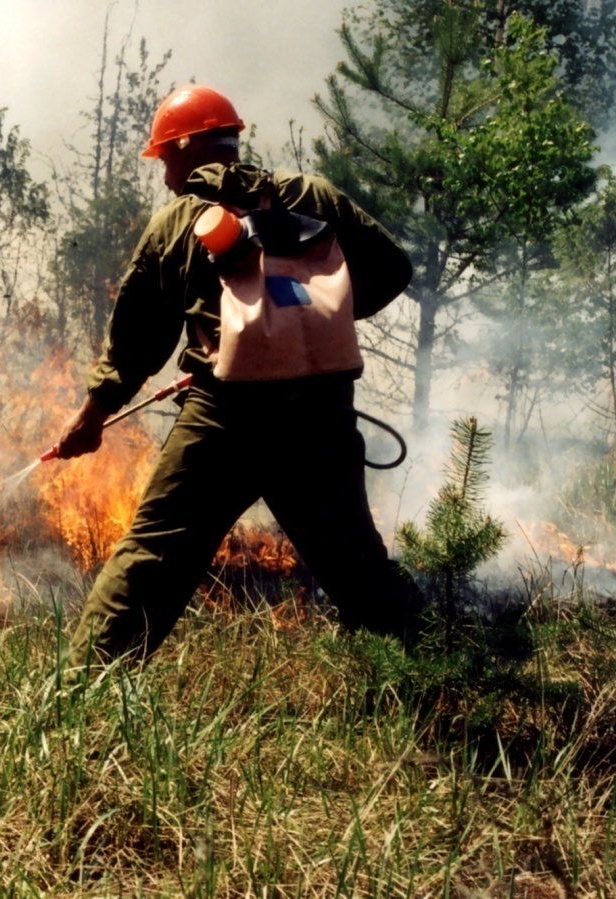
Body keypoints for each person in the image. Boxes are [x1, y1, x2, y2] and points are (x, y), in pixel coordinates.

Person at [55, 85, 422, 666]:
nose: (163, 173)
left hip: (224, 421)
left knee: (153, 558)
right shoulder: (312, 196)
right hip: (320, 415)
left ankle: (77, 691)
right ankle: (429, 677)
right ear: (232, 141)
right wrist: (314, 321)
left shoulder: (177, 222)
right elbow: (391, 268)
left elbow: (136, 342)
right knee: (356, 566)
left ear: (183, 148)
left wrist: (92, 416)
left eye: (163, 158)